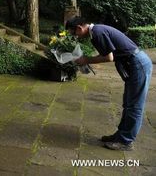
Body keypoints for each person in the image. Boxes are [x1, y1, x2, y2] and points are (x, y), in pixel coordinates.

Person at [65, 16, 153, 151]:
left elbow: (108, 57)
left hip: (138, 64)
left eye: (74, 33)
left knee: (134, 105)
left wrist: (86, 60)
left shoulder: (97, 33)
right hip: (134, 64)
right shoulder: (96, 31)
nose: (75, 36)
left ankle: (126, 141)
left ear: (79, 28)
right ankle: (120, 135)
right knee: (128, 104)